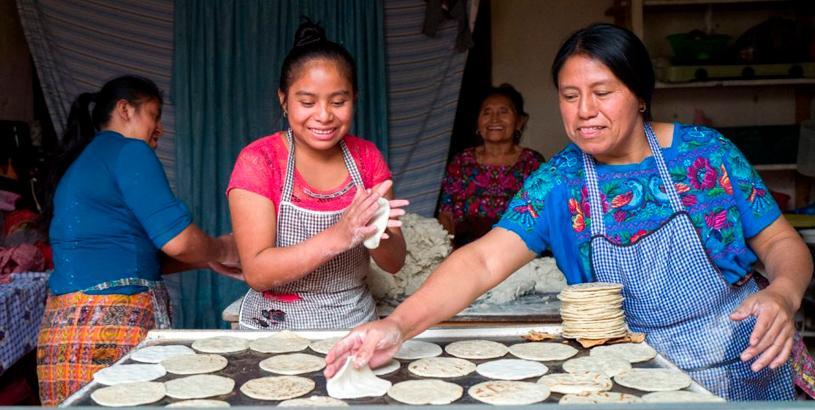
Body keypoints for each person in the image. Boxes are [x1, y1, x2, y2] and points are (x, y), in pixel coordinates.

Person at [325, 23, 814, 401]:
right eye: (570, 95)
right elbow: (481, 261)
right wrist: (398, 325)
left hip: (749, 358)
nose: (584, 111)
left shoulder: (705, 156)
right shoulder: (559, 184)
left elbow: (778, 243)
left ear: (640, 94)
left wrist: (785, 294)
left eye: (602, 93)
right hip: (641, 370)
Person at [37, 75, 242, 405]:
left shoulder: (85, 160)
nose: (159, 128)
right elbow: (177, 241)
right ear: (124, 110)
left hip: (64, 334)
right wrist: (224, 248)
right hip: (109, 327)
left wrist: (209, 259)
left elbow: (134, 257)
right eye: (154, 114)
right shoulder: (129, 151)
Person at [227, 20, 407, 330]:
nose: (324, 116)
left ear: (355, 98)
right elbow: (257, 272)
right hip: (275, 328)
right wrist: (339, 236)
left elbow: (394, 263)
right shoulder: (259, 161)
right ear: (283, 100)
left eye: (338, 102)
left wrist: (378, 231)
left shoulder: (367, 158)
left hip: (355, 326)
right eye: (307, 102)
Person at [438, 84, 545, 248]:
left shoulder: (532, 163)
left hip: (517, 258)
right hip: (466, 254)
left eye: (503, 111)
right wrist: (449, 252)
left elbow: (541, 218)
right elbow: (446, 216)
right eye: (486, 112)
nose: (494, 119)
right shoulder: (461, 162)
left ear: (520, 121)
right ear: (477, 122)